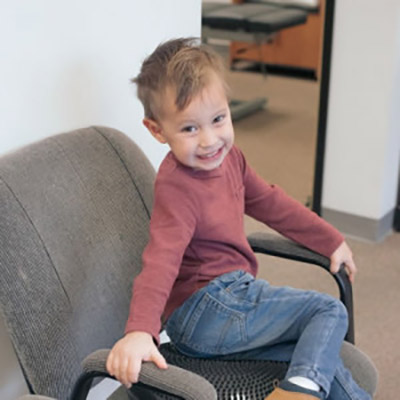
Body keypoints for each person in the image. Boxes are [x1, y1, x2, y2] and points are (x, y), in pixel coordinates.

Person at [106, 38, 371, 400]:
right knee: (327, 311)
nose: (210, 140)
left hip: (232, 302)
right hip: (206, 307)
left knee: (322, 367)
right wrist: (140, 330)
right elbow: (161, 260)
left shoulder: (232, 159)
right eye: (189, 129)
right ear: (157, 130)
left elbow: (269, 202)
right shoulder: (177, 187)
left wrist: (329, 239)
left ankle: (306, 390)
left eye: (218, 119)